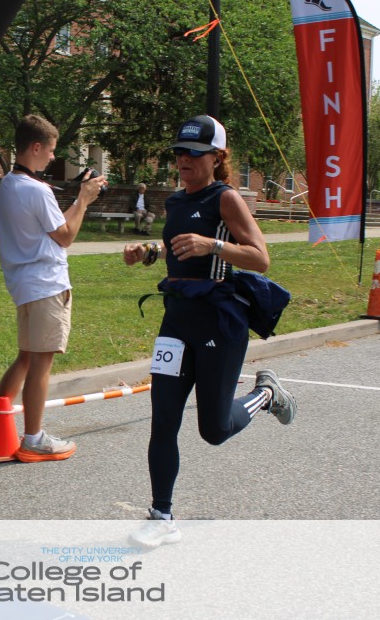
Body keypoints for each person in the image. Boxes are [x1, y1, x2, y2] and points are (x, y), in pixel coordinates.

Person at [122, 114, 296, 546]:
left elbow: (260, 257)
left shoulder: (226, 198)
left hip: (218, 321)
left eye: (194, 154)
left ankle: (267, 395)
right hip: (176, 321)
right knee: (163, 420)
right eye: (180, 152)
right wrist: (148, 251)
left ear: (217, 158)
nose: (184, 160)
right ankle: (161, 515)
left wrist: (213, 245)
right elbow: (178, 249)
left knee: (214, 430)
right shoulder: (175, 201)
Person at [0, 114, 108, 462]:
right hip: (47, 285)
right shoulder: (37, 190)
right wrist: (83, 199)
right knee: (40, 364)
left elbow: (50, 226)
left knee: (25, 358)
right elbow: (65, 236)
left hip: (24, 286)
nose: (52, 156)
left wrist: (76, 200)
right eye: (50, 150)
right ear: (35, 147)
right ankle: (33, 439)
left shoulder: (10, 183)